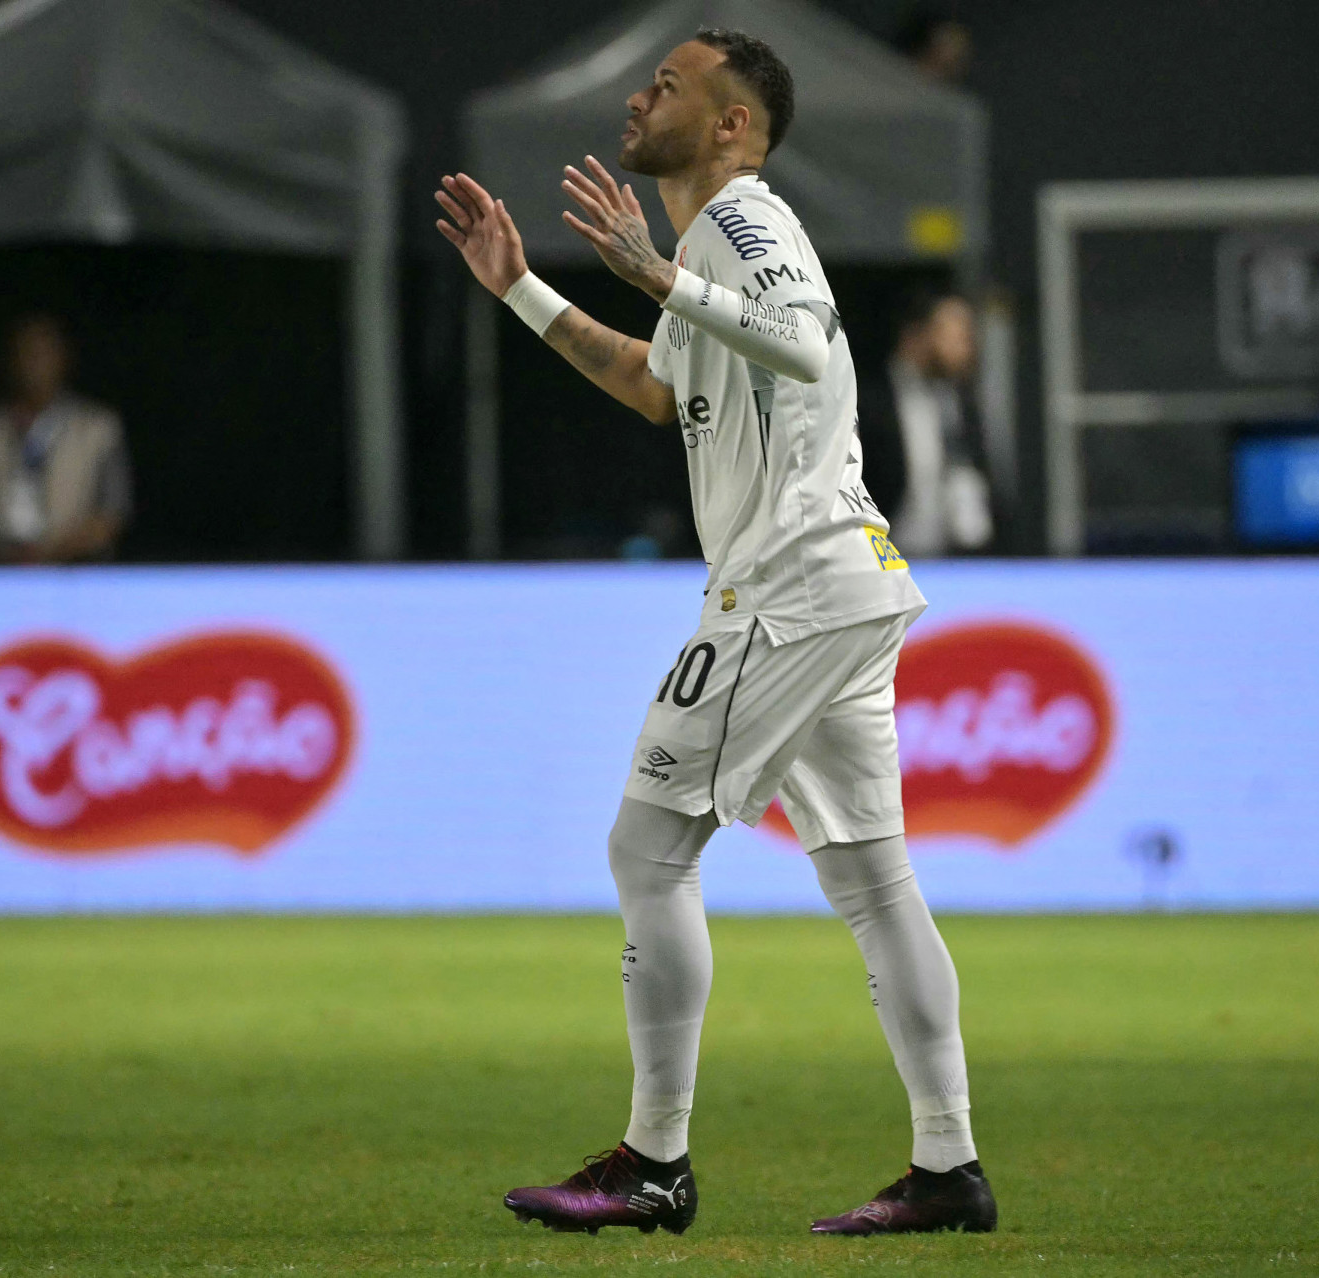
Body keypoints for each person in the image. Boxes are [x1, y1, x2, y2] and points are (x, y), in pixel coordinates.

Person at [434, 28, 994, 1238]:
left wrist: (656, 273)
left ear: (734, 123)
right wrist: (523, 288)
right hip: (846, 577)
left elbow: (798, 340)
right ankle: (948, 1167)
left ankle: (654, 1162)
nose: (639, 97)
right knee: (872, 879)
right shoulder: (714, 245)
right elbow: (657, 386)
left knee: (649, 850)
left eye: (670, 85)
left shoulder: (741, 225)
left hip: (788, 587)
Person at [0, 314, 131, 564]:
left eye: (42, 353)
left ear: (63, 359)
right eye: (24, 352)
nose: (32, 363)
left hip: (72, 572)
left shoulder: (97, 428)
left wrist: (50, 555)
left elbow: (112, 511)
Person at [860, 290, 996, 556]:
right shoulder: (870, 402)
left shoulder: (963, 403)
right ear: (915, 335)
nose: (966, 346)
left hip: (960, 564)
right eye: (953, 334)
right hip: (886, 559)